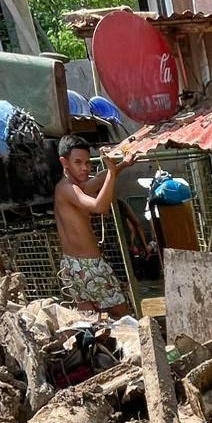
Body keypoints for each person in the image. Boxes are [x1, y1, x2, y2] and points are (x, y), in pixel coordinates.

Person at [53, 134, 134, 317]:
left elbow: (99, 178)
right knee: (124, 317)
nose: (84, 168)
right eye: (78, 162)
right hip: (90, 267)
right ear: (64, 162)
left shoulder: (75, 186)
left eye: (88, 163)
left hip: (72, 266)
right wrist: (113, 172)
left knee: (93, 323)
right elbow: (100, 206)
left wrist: (122, 165)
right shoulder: (67, 188)